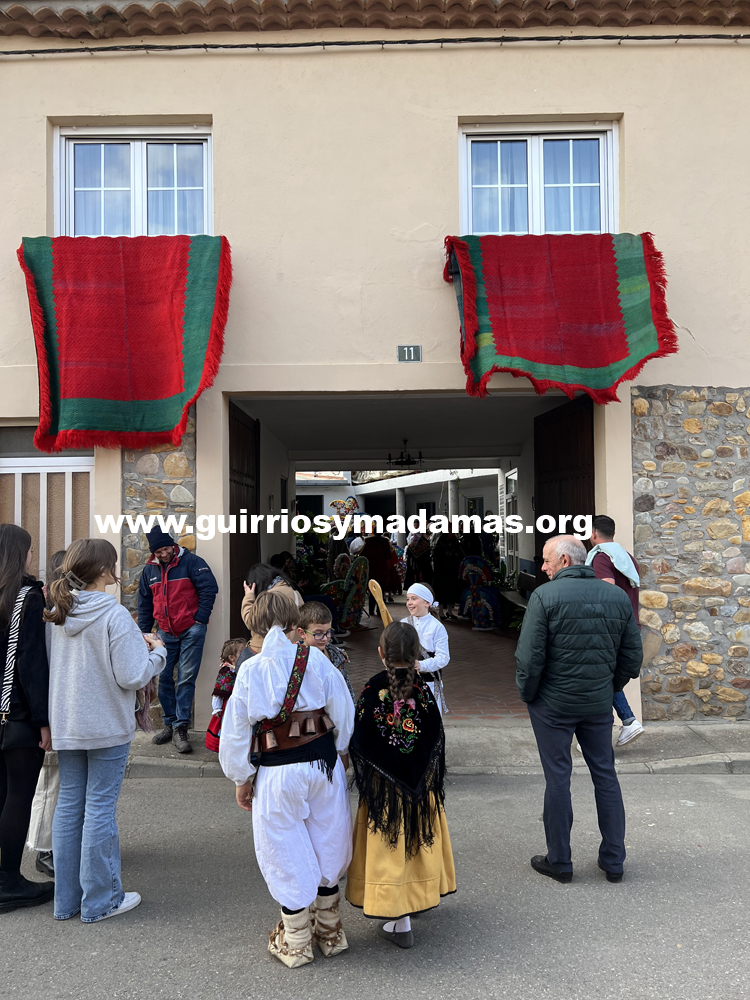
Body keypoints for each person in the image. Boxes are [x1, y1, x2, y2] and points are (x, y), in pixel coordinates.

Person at [219, 591, 354, 968]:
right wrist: (341, 749)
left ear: (255, 623)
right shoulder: (317, 659)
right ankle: (330, 932)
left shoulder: (251, 670)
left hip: (278, 773)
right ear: (294, 621)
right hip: (323, 766)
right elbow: (343, 709)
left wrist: (241, 777)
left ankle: (296, 941)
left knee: (282, 847)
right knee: (328, 838)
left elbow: (235, 732)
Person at [46, 538, 166, 922]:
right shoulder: (113, 614)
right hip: (106, 725)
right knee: (99, 808)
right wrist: (158, 652)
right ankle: (100, 901)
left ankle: (67, 902)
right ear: (102, 570)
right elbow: (132, 675)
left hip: (67, 722)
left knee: (69, 807)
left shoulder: (57, 613)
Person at [515, 535, 642, 884]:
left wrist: (529, 694)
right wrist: (609, 686)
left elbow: (529, 658)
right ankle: (614, 860)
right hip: (597, 703)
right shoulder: (616, 597)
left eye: (546, 560)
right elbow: (632, 657)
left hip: (553, 704)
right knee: (605, 775)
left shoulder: (545, 597)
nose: (543, 567)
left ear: (565, 561)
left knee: (558, 777)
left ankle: (560, 860)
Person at [345, 621, 456, 948]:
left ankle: (399, 920)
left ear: (381, 652)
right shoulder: (423, 691)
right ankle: (416, 897)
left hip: (385, 791)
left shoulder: (372, 689)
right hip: (420, 788)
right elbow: (435, 736)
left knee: (390, 848)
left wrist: (374, 774)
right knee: (418, 842)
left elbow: (360, 740)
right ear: (416, 653)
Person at [0, 524, 53, 914]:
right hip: (17, 716)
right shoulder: (26, 598)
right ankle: (9, 882)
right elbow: (31, 664)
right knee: (18, 797)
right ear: (20, 554)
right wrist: (43, 720)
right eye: (31, 551)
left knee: (2, 794)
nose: (33, 557)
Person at [137, 527, 218, 754]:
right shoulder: (149, 570)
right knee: (163, 678)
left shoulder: (192, 562)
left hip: (192, 629)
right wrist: (146, 633)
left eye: (166, 549)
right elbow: (144, 603)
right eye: (159, 552)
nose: (164, 554)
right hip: (164, 633)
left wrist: (200, 619)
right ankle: (170, 724)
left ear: (172, 545)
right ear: (153, 553)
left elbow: (209, 589)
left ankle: (181, 727)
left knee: (185, 678)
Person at [587, 515, 645, 746]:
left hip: (612, 629)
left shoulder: (602, 557)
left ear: (594, 533)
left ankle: (599, 731)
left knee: (598, 677)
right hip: (630, 625)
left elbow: (606, 592)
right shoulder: (627, 557)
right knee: (606, 677)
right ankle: (627, 721)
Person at [26, 548, 66, 881]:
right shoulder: (46, 613)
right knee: (50, 782)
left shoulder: (55, 611)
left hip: (58, 709)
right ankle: (44, 848)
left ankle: (57, 844)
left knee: (58, 782)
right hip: (51, 711)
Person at [402, 583, 450, 714]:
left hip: (429, 683)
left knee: (429, 718)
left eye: (414, 599)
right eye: (408, 599)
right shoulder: (403, 624)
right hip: (406, 682)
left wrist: (421, 665)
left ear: (427, 603)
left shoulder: (437, 627)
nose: (409, 603)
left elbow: (443, 658)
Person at [296, 601, 356, 702]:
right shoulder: (293, 659)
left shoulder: (336, 656)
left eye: (328, 632)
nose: (325, 638)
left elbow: (347, 690)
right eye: (318, 633)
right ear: (302, 633)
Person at [241, 562, 303, 655]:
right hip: (293, 648)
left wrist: (249, 596)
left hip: (269, 651)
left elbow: (251, 621)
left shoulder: (270, 598)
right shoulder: (294, 592)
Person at [205, 638, 247, 753]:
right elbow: (219, 691)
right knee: (229, 728)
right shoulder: (226, 672)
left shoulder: (246, 669)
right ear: (232, 657)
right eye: (242, 652)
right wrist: (217, 708)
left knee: (243, 728)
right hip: (229, 707)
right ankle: (228, 750)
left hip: (243, 705)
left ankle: (246, 751)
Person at [431, 531, 464, 620]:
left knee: (451, 591)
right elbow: (436, 556)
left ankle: (449, 611)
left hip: (452, 570)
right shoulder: (441, 541)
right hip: (442, 571)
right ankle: (441, 612)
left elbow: (460, 553)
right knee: (442, 592)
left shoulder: (454, 542)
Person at [361, 531, 393, 617]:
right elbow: (389, 556)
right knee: (381, 590)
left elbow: (362, 554)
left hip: (372, 569)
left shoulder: (368, 541)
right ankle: (380, 610)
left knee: (372, 590)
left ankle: (371, 610)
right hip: (382, 569)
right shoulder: (385, 542)